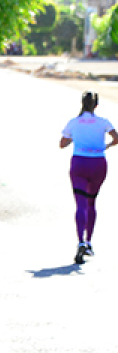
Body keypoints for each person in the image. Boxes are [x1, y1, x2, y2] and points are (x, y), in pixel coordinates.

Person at [59, 91, 118, 264]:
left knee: (80, 204)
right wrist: (105, 146)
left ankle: (80, 241)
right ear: (96, 106)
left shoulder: (74, 122)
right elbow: (116, 138)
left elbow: (62, 144)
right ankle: (90, 241)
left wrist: (74, 138)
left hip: (79, 163)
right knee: (92, 202)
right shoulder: (103, 122)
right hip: (98, 163)